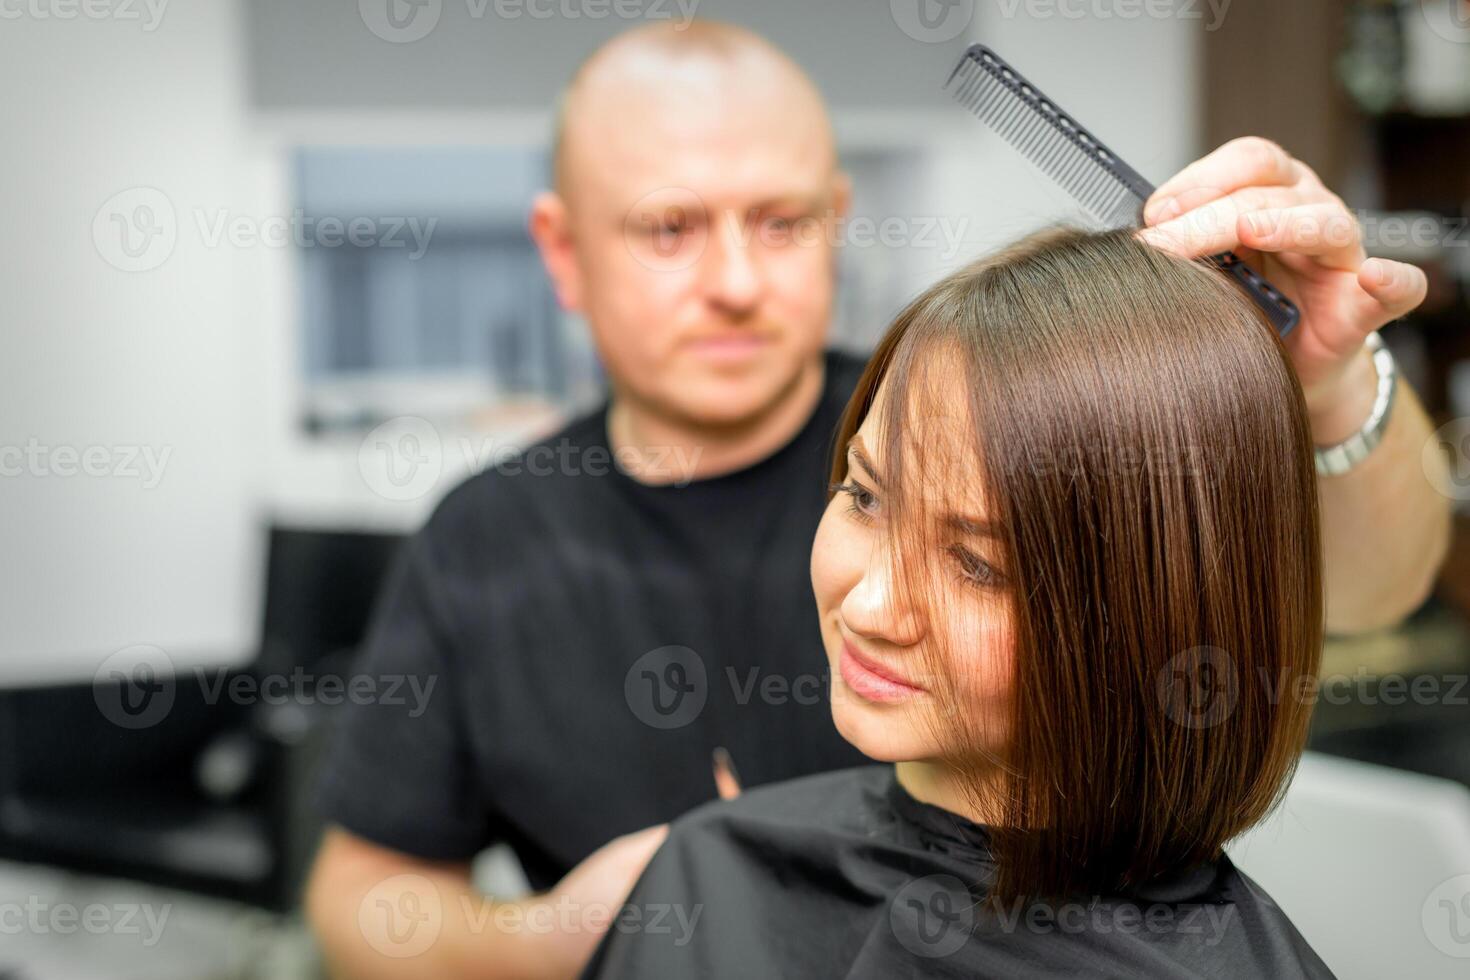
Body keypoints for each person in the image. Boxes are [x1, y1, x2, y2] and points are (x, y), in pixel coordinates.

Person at [305, 20, 1445, 980]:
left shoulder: (992, 414)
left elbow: (1373, 580)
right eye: (670, 227)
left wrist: (1338, 382)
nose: (738, 280)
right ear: (562, 251)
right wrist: (579, 926)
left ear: (838, 216)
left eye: (781, 220)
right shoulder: (486, 540)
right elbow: (356, 895)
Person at [583, 225, 1334, 979]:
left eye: (977, 565)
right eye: (865, 496)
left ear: (1162, 609)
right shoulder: (711, 870)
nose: (872, 608)